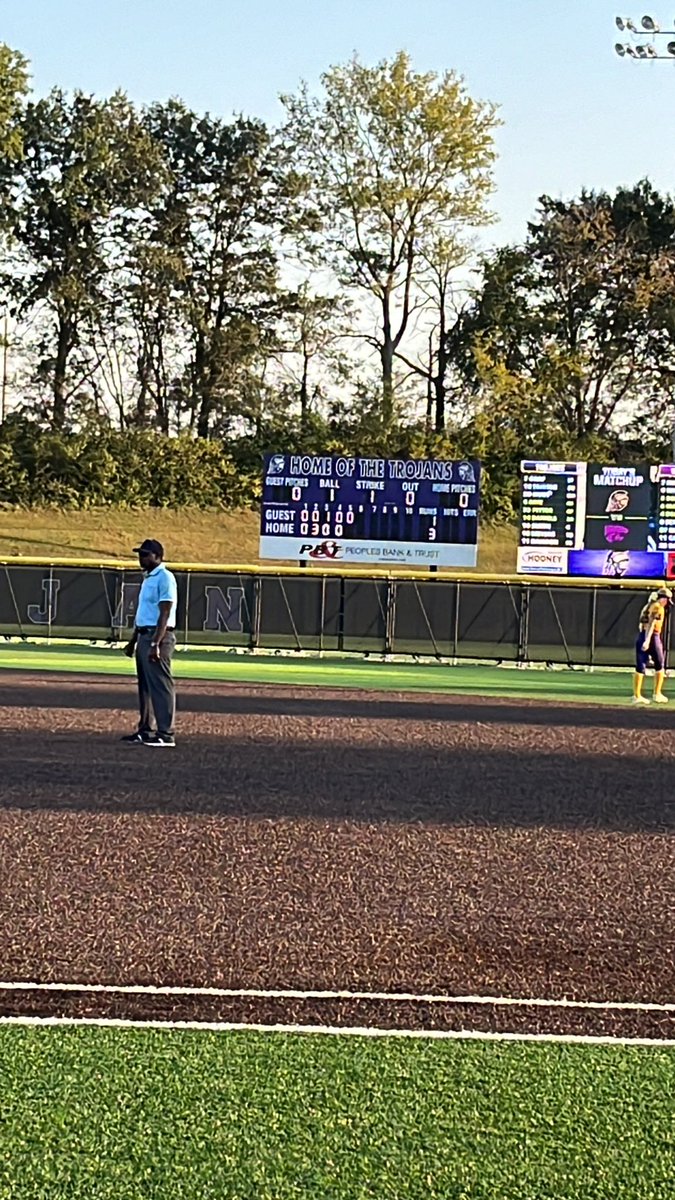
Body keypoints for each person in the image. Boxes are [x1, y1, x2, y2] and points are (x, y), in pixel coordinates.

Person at [121, 539, 178, 746]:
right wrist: (133, 641)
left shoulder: (165, 577)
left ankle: (166, 733)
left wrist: (156, 643)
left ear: (157, 556)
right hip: (145, 635)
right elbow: (144, 614)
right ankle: (145, 729)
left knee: (161, 685)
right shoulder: (148, 578)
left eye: (145, 554)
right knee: (145, 686)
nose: (141, 558)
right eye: (140, 554)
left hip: (158, 637)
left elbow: (165, 611)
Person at [633, 585, 672, 705]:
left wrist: (643, 638)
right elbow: (651, 623)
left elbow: (641, 625)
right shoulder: (658, 608)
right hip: (652, 637)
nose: (667, 603)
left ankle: (637, 695)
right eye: (667, 600)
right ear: (663, 598)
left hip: (641, 636)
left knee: (641, 666)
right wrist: (648, 640)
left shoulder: (648, 606)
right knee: (660, 665)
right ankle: (657, 693)